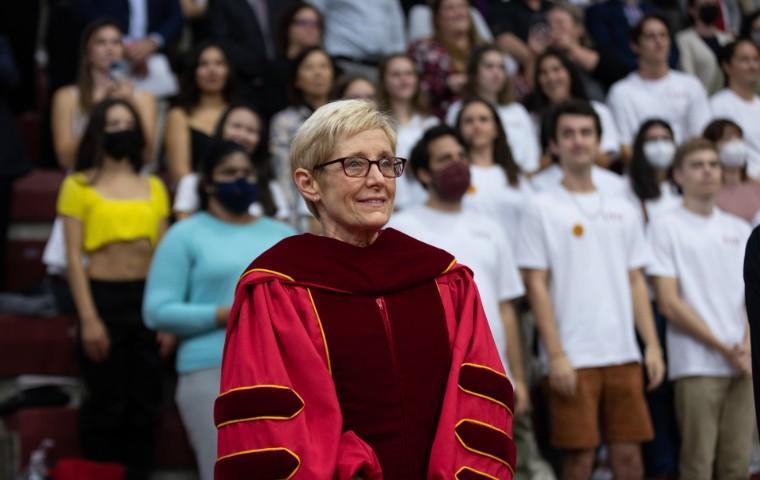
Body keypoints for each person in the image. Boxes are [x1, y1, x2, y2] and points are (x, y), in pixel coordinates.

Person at [214, 100, 515, 479]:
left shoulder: (443, 278)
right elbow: (275, 432)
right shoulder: (278, 288)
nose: (378, 179)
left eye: (387, 163)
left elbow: (476, 406)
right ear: (308, 183)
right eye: (354, 164)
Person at [516, 100, 664, 480]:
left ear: (599, 140)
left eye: (586, 133)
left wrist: (651, 344)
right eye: (568, 134)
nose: (578, 141)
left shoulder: (623, 199)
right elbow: (536, 284)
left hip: (623, 352)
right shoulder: (539, 205)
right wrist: (557, 354)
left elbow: (635, 278)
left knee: (629, 458)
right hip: (572, 355)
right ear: (552, 145)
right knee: (578, 461)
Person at [144, 140, 295, 480]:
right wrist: (226, 315)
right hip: (209, 368)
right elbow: (157, 311)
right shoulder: (184, 235)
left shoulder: (282, 234)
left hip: (280, 370)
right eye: (229, 173)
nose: (241, 180)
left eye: (246, 173)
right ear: (208, 182)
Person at [57, 97, 170, 479]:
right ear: (98, 132)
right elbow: (73, 257)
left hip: (147, 299)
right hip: (102, 297)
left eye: (127, 123)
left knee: (145, 403)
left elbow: (164, 259)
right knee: (105, 402)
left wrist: (164, 316)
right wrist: (88, 319)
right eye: (112, 123)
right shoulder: (76, 185)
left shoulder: (155, 186)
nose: (121, 130)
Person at [648, 138, 753, 480]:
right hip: (696, 363)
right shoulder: (665, 225)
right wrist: (724, 347)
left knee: (738, 465)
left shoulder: (739, 229)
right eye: (697, 164)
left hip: (744, 363)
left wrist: (748, 348)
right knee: (697, 465)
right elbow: (668, 301)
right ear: (677, 174)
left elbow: (751, 298)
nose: (708, 170)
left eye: (713, 163)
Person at [51, 19, 157, 169]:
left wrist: (132, 107)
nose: (109, 49)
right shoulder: (66, 96)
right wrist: (100, 109)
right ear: (87, 52)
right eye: (101, 42)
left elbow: (148, 156)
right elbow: (65, 159)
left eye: (116, 42)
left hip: (129, 179)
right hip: (85, 177)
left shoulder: (144, 98)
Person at [607, 14, 712, 147]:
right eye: (650, 37)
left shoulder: (692, 85)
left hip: (687, 164)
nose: (659, 42)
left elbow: (701, 135)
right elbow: (624, 145)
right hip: (641, 165)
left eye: (663, 35)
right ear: (635, 45)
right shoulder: (620, 92)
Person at [172, 103, 290, 221]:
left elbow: (281, 232)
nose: (242, 135)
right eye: (236, 126)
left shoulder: (271, 188)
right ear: (221, 129)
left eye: (251, 130)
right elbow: (183, 228)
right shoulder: (192, 182)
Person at [446, 44, 541, 174]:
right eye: (489, 66)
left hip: (520, 180)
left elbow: (532, 154)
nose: (496, 73)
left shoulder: (517, 110)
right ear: (474, 72)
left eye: (501, 67)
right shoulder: (458, 109)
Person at [269, 46, 335, 218]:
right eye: (309, 67)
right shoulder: (284, 122)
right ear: (296, 80)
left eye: (323, 66)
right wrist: (294, 216)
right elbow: (283, 171)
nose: (318, 73)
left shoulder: (344, 118)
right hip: (302, 209)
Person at [454, 97, 529, 247]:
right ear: (459, 130)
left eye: (483, 119)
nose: (476, 125)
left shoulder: (515, 177)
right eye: (469, 121)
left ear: (496, 129)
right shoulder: (454, 175)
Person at [525, 48, 621, 163]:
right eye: (543, 73)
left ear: (570, 73)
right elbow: (532, 165)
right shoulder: (533, 120)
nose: (551, 78)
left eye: (556, 70)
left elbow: (607, 156)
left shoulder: (598, 111)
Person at [164, 41, 235, 184]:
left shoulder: (240, 112)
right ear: (193, 71)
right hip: (196, 197)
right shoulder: (179, 115)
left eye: (219, 64)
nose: (212, 70)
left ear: (228, 70)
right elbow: (180, 175)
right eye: (204, 64)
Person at [207, 0, 296, 112]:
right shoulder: (224, 3)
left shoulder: (283, 3)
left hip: (282, 82)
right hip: (243, 82)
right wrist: (261, 68)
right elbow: (221, 41)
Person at [377, 53, 438, 209]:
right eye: (396, 75)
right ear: (383, 81)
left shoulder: (431, 124)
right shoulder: (375, 125)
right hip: (388, 207)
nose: (404, 80)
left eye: (409, 74)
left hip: (428, 206)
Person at [528, 3, 628, 97]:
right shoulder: (545, 58)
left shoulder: (599, 50)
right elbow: (532, 90)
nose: (554, 29)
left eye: (560, 24)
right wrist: (533, 55)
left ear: (579, 28)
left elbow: (615, 73)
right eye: (549, 25)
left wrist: (572, 48)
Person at [408, 0, 483, 118]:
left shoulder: (484, 49)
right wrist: (445, 84)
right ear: (437, 17)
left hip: (483, 118)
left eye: (462, 6)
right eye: (450, 8)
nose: (459, 12)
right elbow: (409, 85)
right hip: (437, 121)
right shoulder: (422, 49)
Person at [308, 0, 405, 81]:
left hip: (379, 67)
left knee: (374, 104)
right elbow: (310, 14)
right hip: (343, 63)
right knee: (345, 103)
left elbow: (396, 25)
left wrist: (397, 60)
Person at [710, 39, 760, 179]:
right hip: (743, 185)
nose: (753, 65)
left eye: (756, 59)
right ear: (726, 66)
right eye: (745, 60)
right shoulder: (717, 106)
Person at [270, 1, 324, 114]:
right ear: (288, 27)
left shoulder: (331, 64)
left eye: (315, 24)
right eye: (303, 23)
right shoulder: (273, 69)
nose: (311, 28)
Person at [703, 118, 760, 222]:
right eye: (728, 138)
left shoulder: (757, 186)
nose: (736, 143)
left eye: (739, 138)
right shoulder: (707, 191)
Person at [625, 118, 681, 222]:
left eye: (665, 139)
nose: (660, 146)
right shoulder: (627, 188)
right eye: (652, 140)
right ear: (640, 147)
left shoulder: (685, 186)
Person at [676, 0, 734, 94]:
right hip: (699, 98)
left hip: (727, 99)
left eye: (712, 4)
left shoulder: (728, 39)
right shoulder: (684, 39)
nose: (710, 7)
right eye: (706, 4)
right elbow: (688, 74)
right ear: (692, 10)